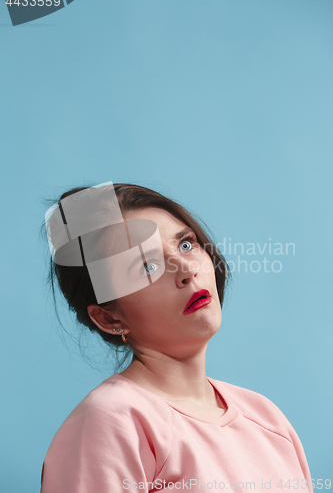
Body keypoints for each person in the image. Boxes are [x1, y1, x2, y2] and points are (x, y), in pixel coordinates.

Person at [40, 182, 313, 493]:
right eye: (147, 266)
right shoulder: (111, 421)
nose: (186, 269)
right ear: (109, 317)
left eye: (186, 244)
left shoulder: (265, 417)